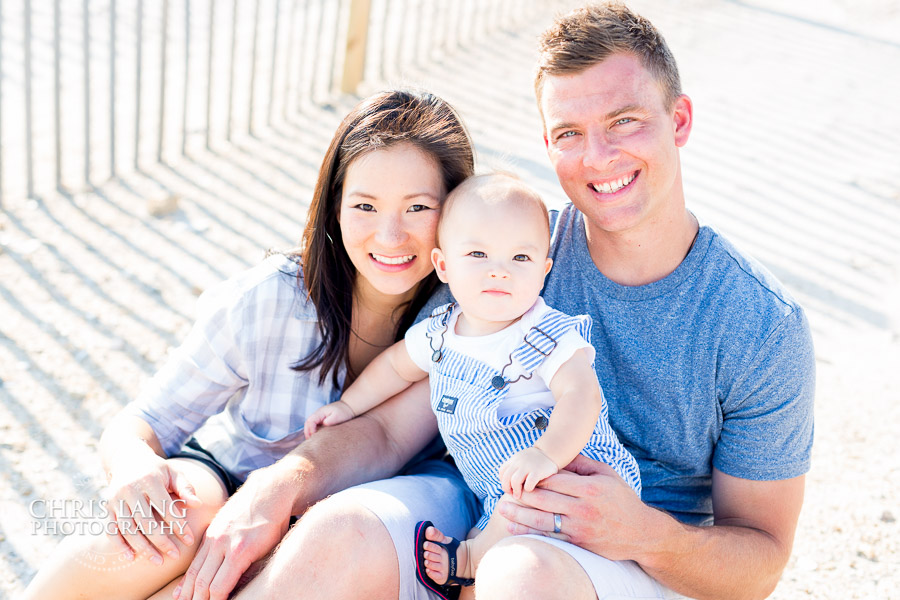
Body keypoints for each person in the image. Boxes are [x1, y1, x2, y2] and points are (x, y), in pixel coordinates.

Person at [225, 4, 814, 600]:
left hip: (639, 561)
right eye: (569, 133)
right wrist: (280, 487)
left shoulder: (760, 323)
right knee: (339, 532)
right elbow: (389, 429)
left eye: (625, 121)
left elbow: (760, 561)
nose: (597, 156)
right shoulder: (509, 251)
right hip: (483, 509)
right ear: (548, 143)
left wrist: (642, 535)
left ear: (679, 119)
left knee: (519, 575)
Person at [22, 89, 479, 600]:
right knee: (163, 522)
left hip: (377, 506)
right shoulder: (274, 296)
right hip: (236, 471)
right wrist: (133, 467)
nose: (390, 235)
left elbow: (386, 439)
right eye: (365, 206)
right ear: (334, 208)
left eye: (418, 206)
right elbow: (144, 422)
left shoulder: (470, 311)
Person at [303, 173, 641, 599]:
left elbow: (583, 398)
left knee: (516, 521)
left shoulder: (548, 334)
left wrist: (545, 454)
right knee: (485, 575)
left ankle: (468, 558)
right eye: (478, 254)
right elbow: (394, 368)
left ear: (543, 271)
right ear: (444, 266)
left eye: (520, 258)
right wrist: (349, 407)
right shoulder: (441, 333)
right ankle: (473, 562)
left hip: (573, 471)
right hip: (499, 494)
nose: (499, 272)